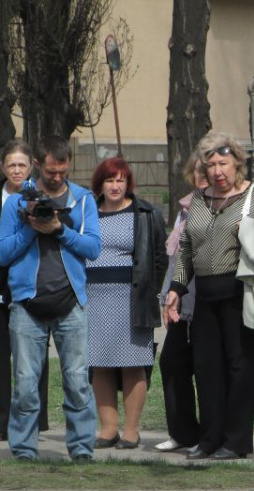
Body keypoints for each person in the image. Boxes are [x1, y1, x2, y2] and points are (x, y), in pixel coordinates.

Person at [163, 131, 254, 461]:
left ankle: (236, 441)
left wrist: (253, 232)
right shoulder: (199, 198)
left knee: (239, 365)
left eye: (224, 162)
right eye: (211, 164)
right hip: (205, 293)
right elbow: (187, 248)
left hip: (240, 292)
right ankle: (209, 439)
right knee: (206, 367)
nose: (218, 170)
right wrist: (176, 288)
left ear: (237, 162)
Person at [0, 135, 101, 460]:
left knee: (76, 381)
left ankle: (82, 449)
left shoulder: (83, 199)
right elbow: (2, 253)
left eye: (62, 171)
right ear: (38, 165)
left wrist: (59, 229)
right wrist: (31, 226)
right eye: (51, 172)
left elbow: (93, 248)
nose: (57, 177)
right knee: (26, 383)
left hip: (70, 302)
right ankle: (25, 450)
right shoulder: (17, 202)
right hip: (27, 305)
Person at [86, 157, 167, 449]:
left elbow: (159, 257)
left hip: (132, 298)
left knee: (134, 364)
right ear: (100, 184)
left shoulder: (145, 213)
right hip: (93, 298)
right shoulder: (86, 212)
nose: (115, 186)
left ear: (128, 183)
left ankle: (131, 430)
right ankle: (108, 429)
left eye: (120, 180)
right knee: (100, 364)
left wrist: (152, 291)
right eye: (109, 180)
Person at [155, 150, 208, 452]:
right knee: (172, 362)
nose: (203, 175)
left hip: (207, 300)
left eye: (208, 170)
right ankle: (183, 432)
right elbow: (176, 259)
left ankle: (213, 433)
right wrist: (167, 297)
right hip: (180, 300)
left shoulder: (221, 207)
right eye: (198, 170)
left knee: (206, 368)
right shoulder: (185, 208)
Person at [0, 140, 51, 441]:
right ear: (3, 167)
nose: (16, 170)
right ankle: (4, 419)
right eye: (10, 165)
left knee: (33, 354)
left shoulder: (42, 195)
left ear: (31, 165)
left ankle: (36, 419)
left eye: (21, 164)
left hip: (33, 281)